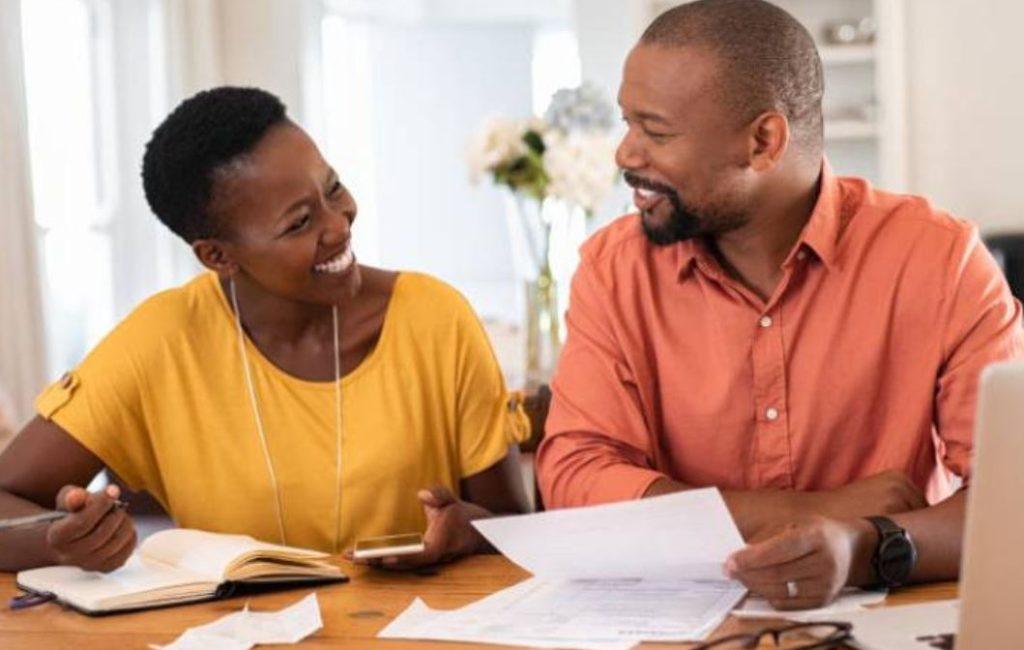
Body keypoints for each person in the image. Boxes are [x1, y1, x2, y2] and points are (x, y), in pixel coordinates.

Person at [536, 0, 1024, 610]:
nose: (625, 154)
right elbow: (576, 479)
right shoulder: (614, 271)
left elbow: (1011, 499)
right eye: (627, 123)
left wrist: (862, 544)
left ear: (764, 140)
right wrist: (812, 512)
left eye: (655, 131)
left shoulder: (940, 261)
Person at [0, 86, 530, 573]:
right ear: (217, 255)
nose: (338, 224)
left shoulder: (436, 318)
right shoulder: (159, 343)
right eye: (299, 223)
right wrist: (59, 540)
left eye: (334, 188)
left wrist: (464, 531)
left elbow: (513, 526)